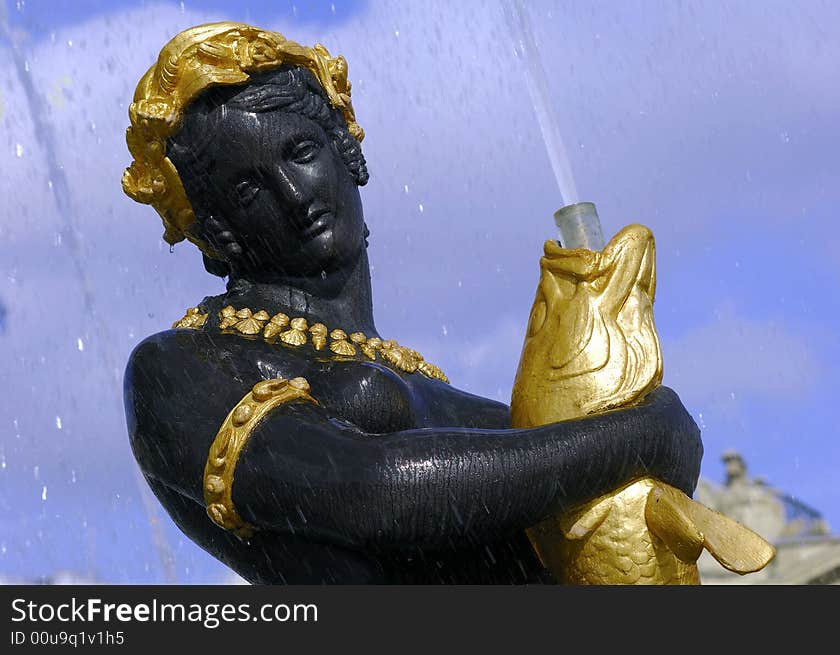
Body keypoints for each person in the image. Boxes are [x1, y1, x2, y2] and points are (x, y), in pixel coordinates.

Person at [122, 22, 702, 584]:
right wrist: (637, 439)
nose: (294, 196)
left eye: (300, 152)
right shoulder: (181, 368)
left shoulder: (445, 394)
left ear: (348, 152)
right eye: (248, 189)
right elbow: (368, 492)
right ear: (218, 230)